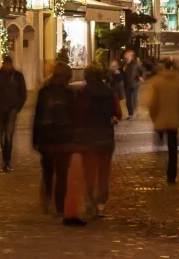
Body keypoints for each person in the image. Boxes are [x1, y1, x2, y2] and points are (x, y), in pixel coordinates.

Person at [32, 62, 84, 226]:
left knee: (48, 171)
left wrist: (35, 138)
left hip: (47, 138)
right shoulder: (70, 93)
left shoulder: (44, 92)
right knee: (62, 173)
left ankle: (47, 199)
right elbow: (76, 117)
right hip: (64, 138)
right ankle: (60, 205)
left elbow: (38, 116)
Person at [76, 63, 122, 216]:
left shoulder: (84, 92)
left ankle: (90, 199)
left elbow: (80, 113)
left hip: (88, 137)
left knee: (89, 170)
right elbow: (118, 113)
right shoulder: (110, 92)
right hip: (106, 136)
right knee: (103, 171)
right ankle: (101, 201)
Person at [146, 57, 179, 184]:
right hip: (174, 120)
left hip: (160, 120)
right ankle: (171, 175)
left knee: (159, 146)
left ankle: (159, 168)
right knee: (173, 149)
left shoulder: (157, 82)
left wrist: (154, 118)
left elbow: (152, 103)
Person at [0, 55, 27, 171]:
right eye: (5, 63)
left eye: (8, 64)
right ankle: (4, 158)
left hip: (11, 109)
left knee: (8, 135)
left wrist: (17, 107)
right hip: (0, 109)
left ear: (11, 64)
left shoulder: (18, 76)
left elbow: (22, 93)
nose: (7, 66)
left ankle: (7, 160)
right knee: (2, 134)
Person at [121, 48, 143, 120]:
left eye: (127, 55)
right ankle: (130, 114)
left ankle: (135, 113)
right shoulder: (125, 64)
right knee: (128, 101)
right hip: (127, 84)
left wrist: (140, 76)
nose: (126, 57)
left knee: (133, 100)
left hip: (134, 84)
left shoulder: (136, 63)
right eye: (125, 56)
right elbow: (123, 73)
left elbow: (142, 71)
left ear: (131, 56)